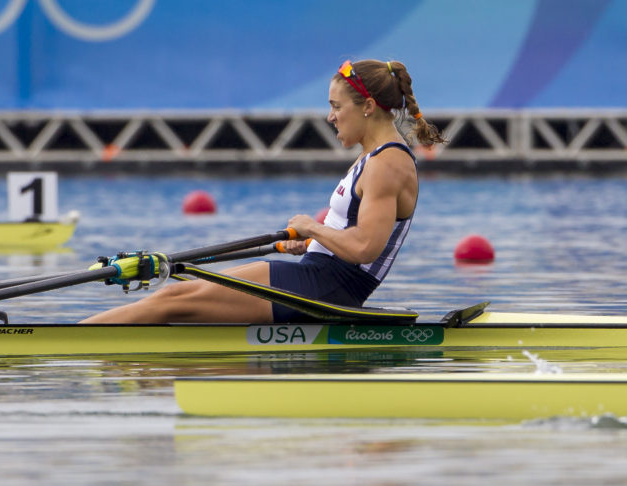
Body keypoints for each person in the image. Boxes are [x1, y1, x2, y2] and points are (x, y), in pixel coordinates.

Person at [81, 59, 445, 324]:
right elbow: (354, 238)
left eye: (336, 107)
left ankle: (73, 343)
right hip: (317, 274)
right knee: (178, 293)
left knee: (174, 298)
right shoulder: (374, 157)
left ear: (367, 107)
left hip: (327, 290)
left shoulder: (387, 165)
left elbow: (366, 247)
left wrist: (313, 229)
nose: (330, 116)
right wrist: (312, 243)